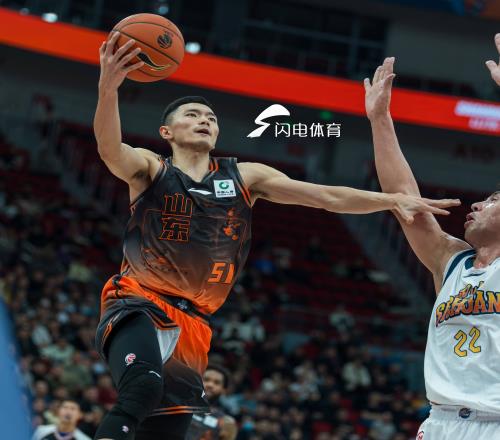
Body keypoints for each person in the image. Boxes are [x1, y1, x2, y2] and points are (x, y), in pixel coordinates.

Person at [93, 32, 459, 440]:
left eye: (211, 118)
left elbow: (326, 197)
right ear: (167, 132)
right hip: (139, 299)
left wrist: (391, 200)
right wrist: (109, 88)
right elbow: (110, 149)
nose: (205, 121)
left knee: (168, 429)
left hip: (194, 321)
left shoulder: (245, 176)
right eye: (193, 115)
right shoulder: (152, 169)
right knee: (143, 387)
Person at [364, 38, 500, 440]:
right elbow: (403, 199)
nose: (477, 204)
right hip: (440, 422)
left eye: (493, 200)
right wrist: (380, 119)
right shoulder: (451, 260)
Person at [186, 364, 237, 440]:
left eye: (217, 383)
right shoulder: (178, 404)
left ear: (224, 390)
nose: (210, 385)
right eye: (206, 379)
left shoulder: (226, 422)